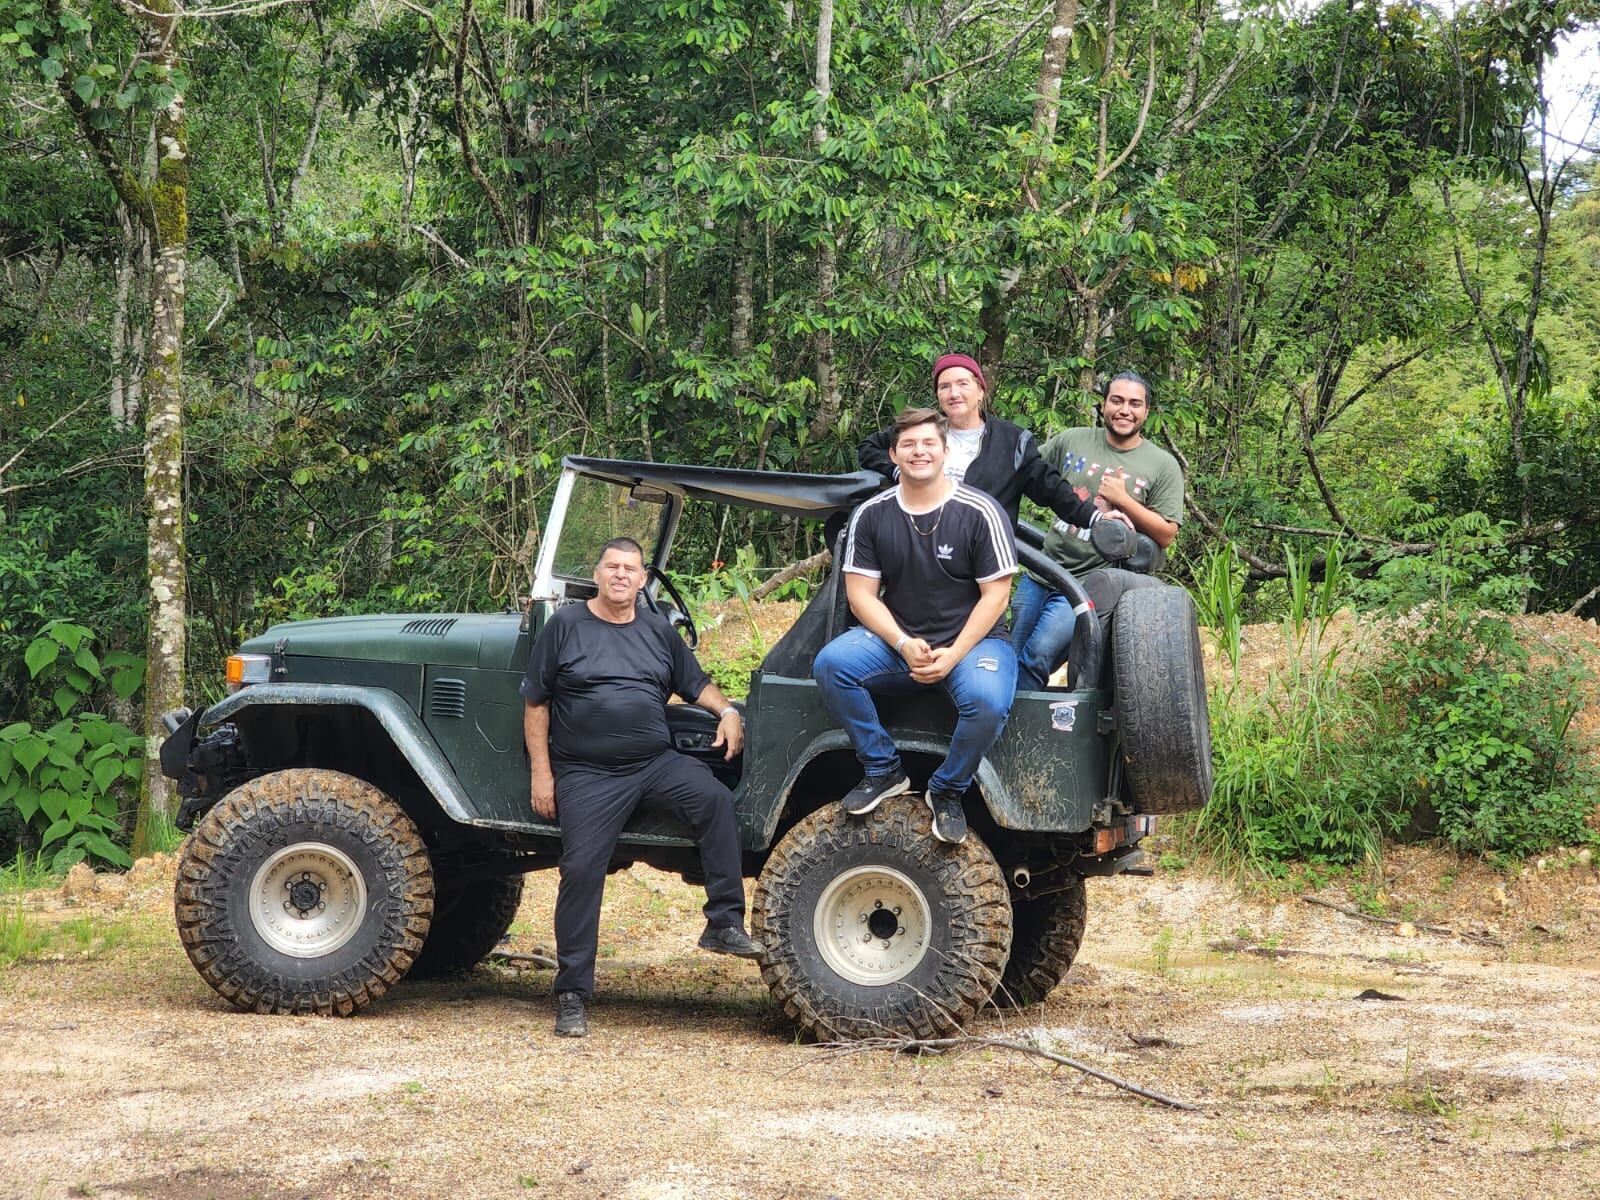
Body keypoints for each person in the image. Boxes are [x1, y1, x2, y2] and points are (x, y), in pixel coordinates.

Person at [521, 537, 760, 1038]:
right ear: (598, 573)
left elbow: (698, 684)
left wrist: (729, 711)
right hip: (587, 774)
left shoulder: (657, 631)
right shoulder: (565, 626)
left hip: (653, 763)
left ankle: (723, 922)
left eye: (631, 569)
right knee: (582, 868)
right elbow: (537, 704)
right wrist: (542, 774)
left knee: (714, 799)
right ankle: (571, 994)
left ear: (643, 578)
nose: (622, 576)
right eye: (613, 567)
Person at [813, 407, 1018, 845]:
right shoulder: (872, 514)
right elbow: (861, 596)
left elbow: (997, 595)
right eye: (908, 444)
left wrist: (955, 654)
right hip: (899, 640)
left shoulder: (980, 511)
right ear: (894, 453)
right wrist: (903, 643)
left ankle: (947, 790)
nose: (919, 452)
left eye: (929, 443)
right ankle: (883, 768)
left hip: (974, 642)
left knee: (986, 701)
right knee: (833, 664)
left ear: (945, 452)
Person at [1012, 370, 1185, 690]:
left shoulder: (1162, 464)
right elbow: (1025, 473)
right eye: (1117, 401)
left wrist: (1123, 501)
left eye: (1135, 404)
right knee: (1010, 654)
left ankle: (1017, 736)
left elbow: (1166, 534)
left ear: (1147, 411)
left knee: (1037, 656)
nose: (1125, 410)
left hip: (1089, 583)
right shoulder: (1071, 440)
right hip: (1042, 572)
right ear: (1103, 404)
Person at [858, 353, 1121, 533]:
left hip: (981, 550)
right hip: (917, 540)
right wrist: (898, 472)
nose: (954, 393)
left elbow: (1049, 486)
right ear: (938, 394)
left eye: (963, 384)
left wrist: (1093, 518)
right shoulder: (922, 432)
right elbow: (869, 448)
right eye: (944, 386)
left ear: (980, 391)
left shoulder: (1012, 440)